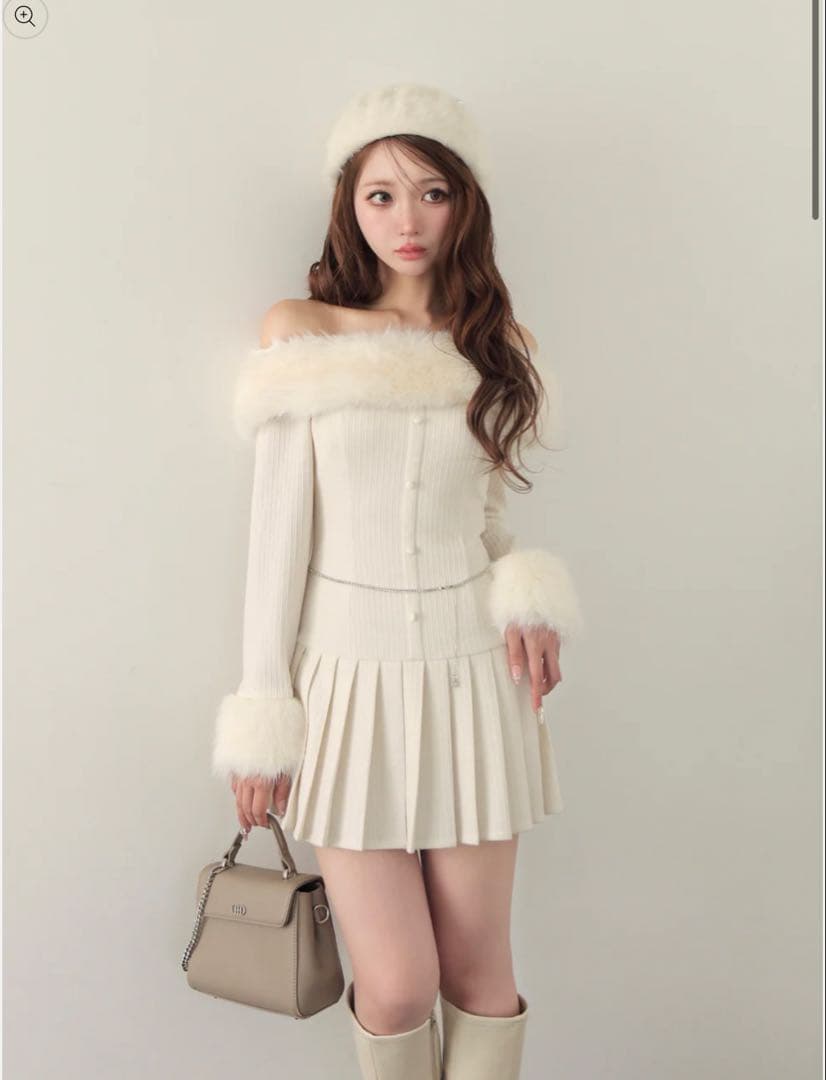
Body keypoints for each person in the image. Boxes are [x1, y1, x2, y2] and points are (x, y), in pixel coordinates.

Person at [211, 82, 584, 1080]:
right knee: (398, 986)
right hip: (346, 683)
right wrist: (264, 709)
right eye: (381, 195)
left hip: (475, 679)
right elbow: (276, 538)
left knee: (481, 976)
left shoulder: (497, 349)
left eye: (431, 192)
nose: (407, 219)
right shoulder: (303, 333)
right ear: (350, 206)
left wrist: (528, 598)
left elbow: (489, 522)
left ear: (465, 203)